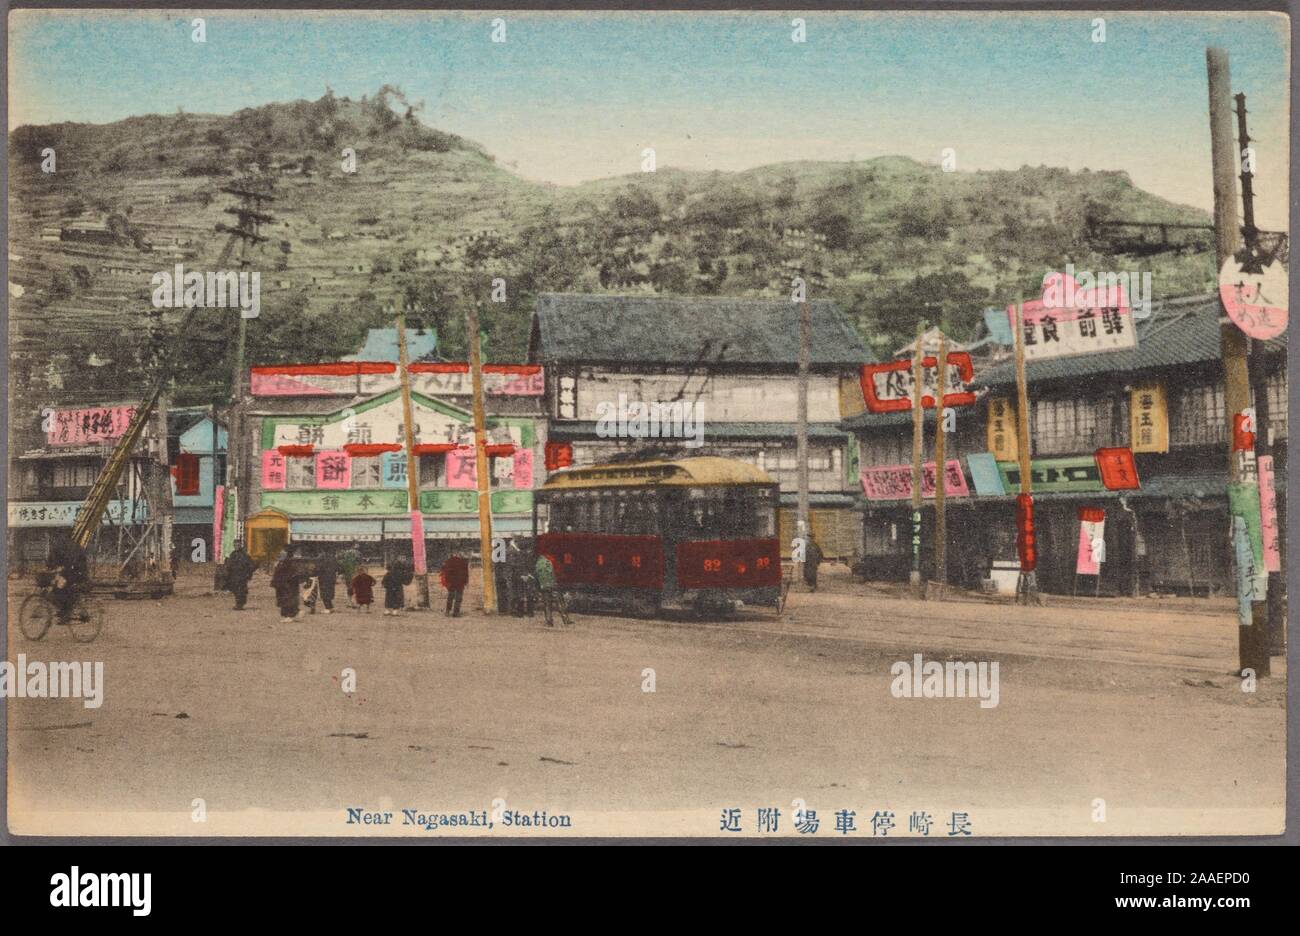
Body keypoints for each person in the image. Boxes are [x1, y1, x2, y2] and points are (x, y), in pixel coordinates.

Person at [48, 533, 89, 624]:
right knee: (59, 589)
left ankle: (66, 615)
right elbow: (53, 560)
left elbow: (73, 563)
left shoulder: (69, 547)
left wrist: (62, 568)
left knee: (61, 589)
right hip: (74, 573)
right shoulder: (65, 546)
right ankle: (68, 610)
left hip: (76, 573)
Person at [534, 551, 571, 627]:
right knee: (559, 602)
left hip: (543, 585)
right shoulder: (551, 560)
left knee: (547, 604)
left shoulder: (538, 563)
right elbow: (555, 571)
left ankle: (549, 621)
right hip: (553, 584)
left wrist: (539, 586)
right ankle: (565, 619)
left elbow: (537, 575)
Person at [270, 546, 305, 623]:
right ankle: (290, 614)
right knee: (283, 600)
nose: (281, 553)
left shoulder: (289, 562)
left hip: (287, 585)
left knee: (288, 600)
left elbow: (291, 574)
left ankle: (290, 615)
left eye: (283, 552)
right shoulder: (282, 562)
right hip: (282, 585)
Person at [224, 541, 256, 611]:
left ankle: (240, 604)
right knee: (235, 590)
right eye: (235, 545)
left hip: (242, 576)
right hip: (234, 576)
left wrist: (247, 573)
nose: (236, 546)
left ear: (240, 545)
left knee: (241, 591)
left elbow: (251, 565)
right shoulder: (233, 554)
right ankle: (238, 604)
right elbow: (229, 564)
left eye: (238, 545)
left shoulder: (244, 554)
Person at [439, 553, 469, 617]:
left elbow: (444, 571)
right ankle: (456, 612)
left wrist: (447, 582)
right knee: (458, 598)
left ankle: (447, 611)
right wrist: (466, 582)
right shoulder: (463, 562)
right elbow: (466, 573)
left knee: (450, 596)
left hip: (451, 582)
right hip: (460, 582)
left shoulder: (448, 561)